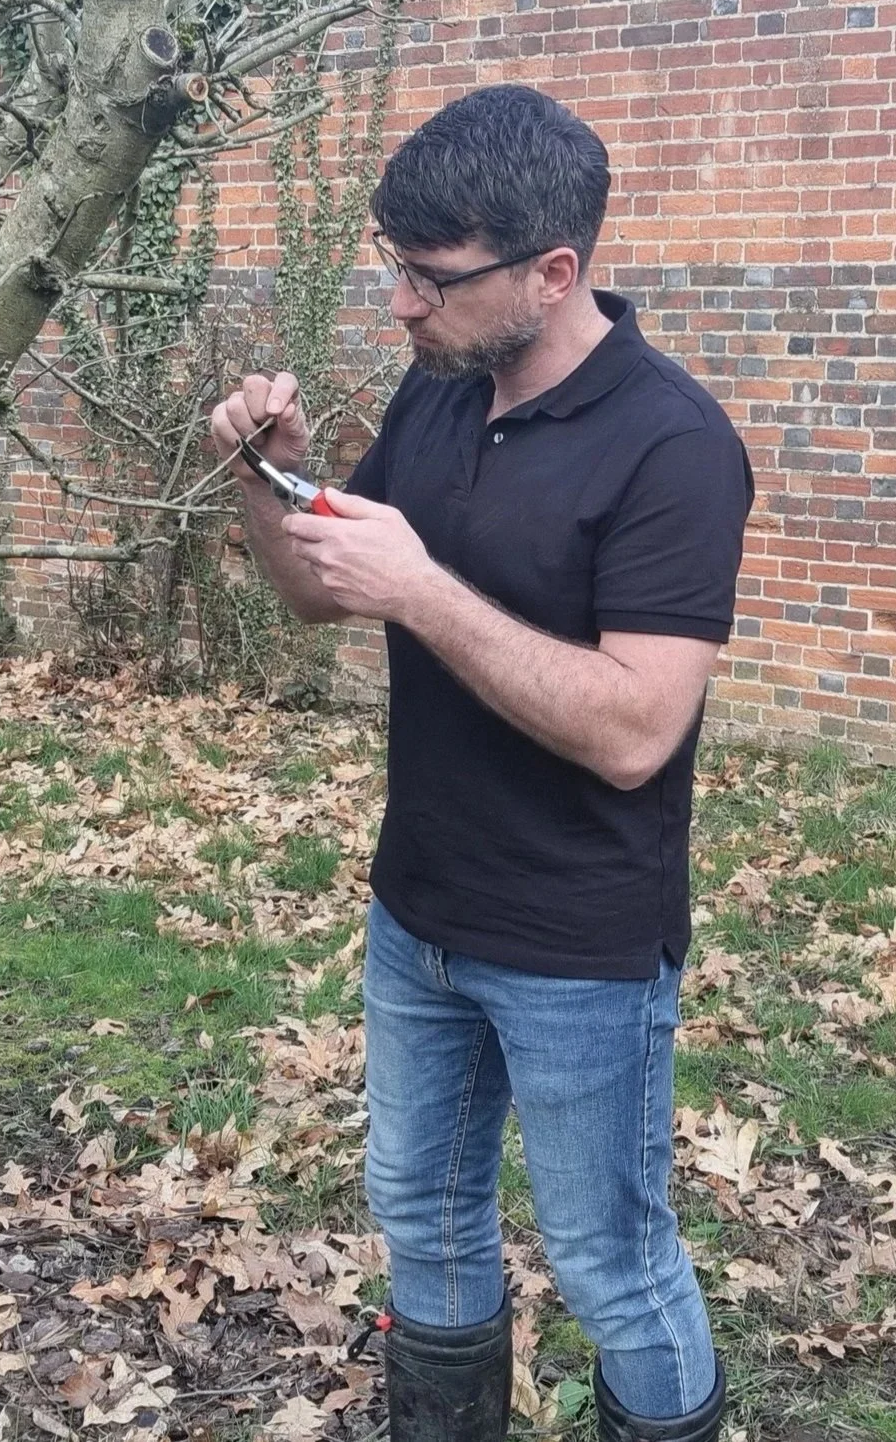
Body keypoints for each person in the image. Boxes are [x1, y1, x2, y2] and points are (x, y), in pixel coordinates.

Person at [208, 84, 754, 1442]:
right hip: (421, 919)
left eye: (429, 277)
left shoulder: (675, 449)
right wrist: (274, 484)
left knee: (611, 1267)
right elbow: (327, 596)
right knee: (427, 1221)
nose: (401, 304)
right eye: (395, 268)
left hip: (578, 943)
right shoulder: (445, 389)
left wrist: (423, 587)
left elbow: (637, 730)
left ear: (553, 270)